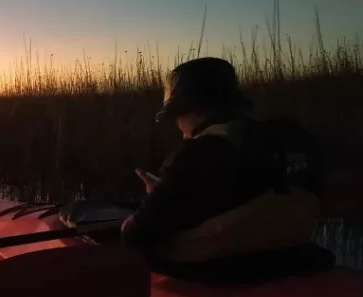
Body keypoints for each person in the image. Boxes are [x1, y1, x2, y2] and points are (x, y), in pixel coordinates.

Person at [120, 57, 329, 277]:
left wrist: (157, 195)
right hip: (298, 261)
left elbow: (135, 236)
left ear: (194, 110)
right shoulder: (294, 136)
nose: (178, 126)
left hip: (224, 276)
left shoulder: (193, 156)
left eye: (176, 115)